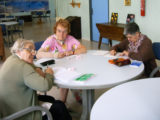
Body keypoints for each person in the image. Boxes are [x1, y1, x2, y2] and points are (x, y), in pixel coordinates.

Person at [0, 39, 54, 120]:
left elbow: (30, 67)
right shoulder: (23, 67)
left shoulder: (11, 59)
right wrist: (49, 74)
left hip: (8, 110)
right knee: (59, 107)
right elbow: (45, 86)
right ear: (18, 50)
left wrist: (36, 68)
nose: (33, 53)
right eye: (29, 49)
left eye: (34, 50)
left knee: (51, 99)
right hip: (21, 114)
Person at [36, 19, 86, 103]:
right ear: (55, 30)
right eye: (59, 31)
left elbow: (84, 49)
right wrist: (55, 55)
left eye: (64, 31)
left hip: (68, 66)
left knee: (76, 72)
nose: (61, 35)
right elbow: (38, 54)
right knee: (66, 77)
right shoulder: (51, 40)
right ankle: (63, 102)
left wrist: (72, 52)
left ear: (68, 32)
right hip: (54, 68)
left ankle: (76, 94)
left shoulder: (70, 39)